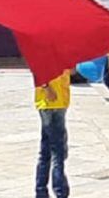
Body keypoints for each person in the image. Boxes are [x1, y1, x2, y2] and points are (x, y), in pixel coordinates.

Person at [35, 70, 71, 198]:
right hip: (52, 101)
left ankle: (41, 190)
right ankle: (60, 191)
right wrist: (47, 87)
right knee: (58, 152)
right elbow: (37, 71)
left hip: (58, 100)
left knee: (46, 150)